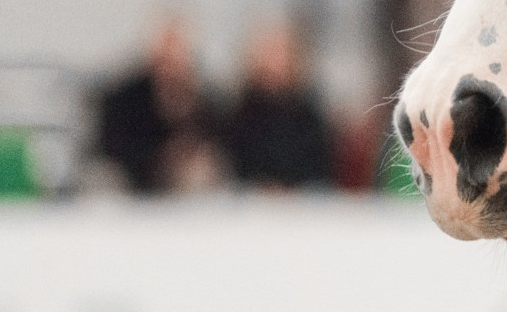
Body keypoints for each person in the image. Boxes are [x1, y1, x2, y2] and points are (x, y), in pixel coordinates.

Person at [94, 11, 225, 194]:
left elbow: (217, 141)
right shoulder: (123, 98)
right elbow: (113, 146)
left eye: (177, 46)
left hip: (188, 189)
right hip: (135, 183)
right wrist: (160, 157)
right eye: (166, 44)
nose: (171, 54)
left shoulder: (204, 99)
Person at [223, 21, 335, 189]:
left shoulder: (308, 114)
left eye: (281, 53)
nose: (275, 62)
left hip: (301, 201)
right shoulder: (240, 113)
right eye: (269, 53)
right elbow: (235, 165)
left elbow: (318, 168)